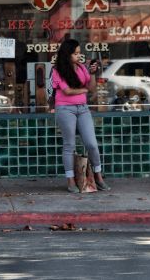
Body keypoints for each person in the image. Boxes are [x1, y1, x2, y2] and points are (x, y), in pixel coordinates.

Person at [51, 39, 111, 193]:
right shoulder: (58, 70)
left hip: (83, 109)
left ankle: (98, 176)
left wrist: (91, 74)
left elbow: (91, 88)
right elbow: (67, 91)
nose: (79, 56)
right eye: (75, 53)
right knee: (69, 145)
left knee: (92, 144)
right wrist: (83, 90)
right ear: (67, 54)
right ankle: (70, 180)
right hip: (65, 108)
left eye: (79, 53)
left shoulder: (81, 68)